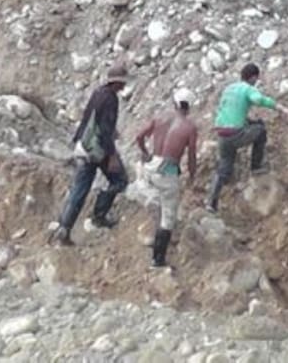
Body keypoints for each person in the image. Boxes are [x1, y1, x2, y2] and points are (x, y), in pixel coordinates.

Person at [51, 64, 130, 246]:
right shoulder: (111, 99)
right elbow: (104, 130)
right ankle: (99, 215)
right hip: (98, 149)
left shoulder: (98, 93)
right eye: (122, 83)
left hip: (84, 146)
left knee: (80, 189)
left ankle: (64, 228)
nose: (124, 87)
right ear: (116, 83)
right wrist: (111, 156)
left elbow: (89, 118)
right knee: (120, 180)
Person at [206, 63, 288, 214]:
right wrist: (282, 108)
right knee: (260, 130)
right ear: (253, 77)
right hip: (235, 133)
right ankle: (256, 167)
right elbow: (259, 100)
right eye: (256, 78)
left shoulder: (229, 88)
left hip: (222, 133)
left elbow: (226, 109)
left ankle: (212, 203)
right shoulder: (248, 89)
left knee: (224, 166)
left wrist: (245, 120)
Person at [135, 87, 199, 269]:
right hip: (168, 172)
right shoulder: (190, 127)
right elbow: (192, 156)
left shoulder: (160, 117)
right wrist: (192, 177)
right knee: (168, 217)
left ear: (175, 103)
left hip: (151, 167)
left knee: (156, 201)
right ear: (189, 107)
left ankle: (153, 227)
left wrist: (145, 153)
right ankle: (158, 260)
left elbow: (139, 136)